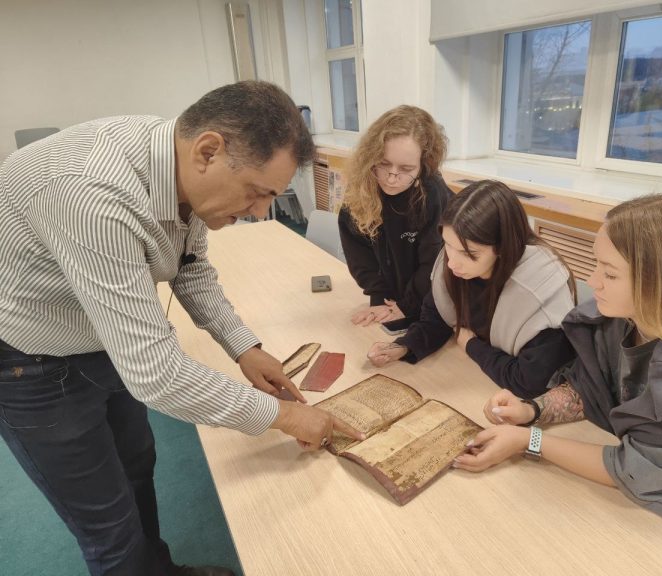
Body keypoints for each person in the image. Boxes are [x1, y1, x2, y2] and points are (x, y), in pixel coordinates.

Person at [0, 81, 363, 576]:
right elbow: (157, 376)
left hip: (95, 334)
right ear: (209, 151)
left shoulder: (178, 166)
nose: (260, 211)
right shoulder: (92, 192)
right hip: (28, 360)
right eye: (257, 193)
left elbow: (188, 267)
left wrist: (244, 348)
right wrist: (285, 417)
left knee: (136, 465)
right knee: (108, 526)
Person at [454, 192, 662, 530]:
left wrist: (528, 441)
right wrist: (532, 410)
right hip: (658, 505)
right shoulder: (618, 322)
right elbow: (589, 389)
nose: (592, 282)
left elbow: (636, 470)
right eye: (597, 265)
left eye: (611, 274)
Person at [367, 180, 576, 398]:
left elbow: (530, 381)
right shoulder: (458, 261)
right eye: (447, 245)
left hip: (511, 401)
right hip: (476, 381)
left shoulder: (539, 290)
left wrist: (471, 345)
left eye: (469, 254)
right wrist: (404, 346)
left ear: (503, 248)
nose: (452, 263)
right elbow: (436, 316)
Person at [338, 105, 451, 327]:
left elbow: (434, 262)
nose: (391, 178)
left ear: (423, 165)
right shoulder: (361, 188)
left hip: (432, 301)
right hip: (390, 300)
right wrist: (378, 299)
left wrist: (405, 306)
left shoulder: (433, 195)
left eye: (406, 169)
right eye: (383, 164)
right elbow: (359, 254)